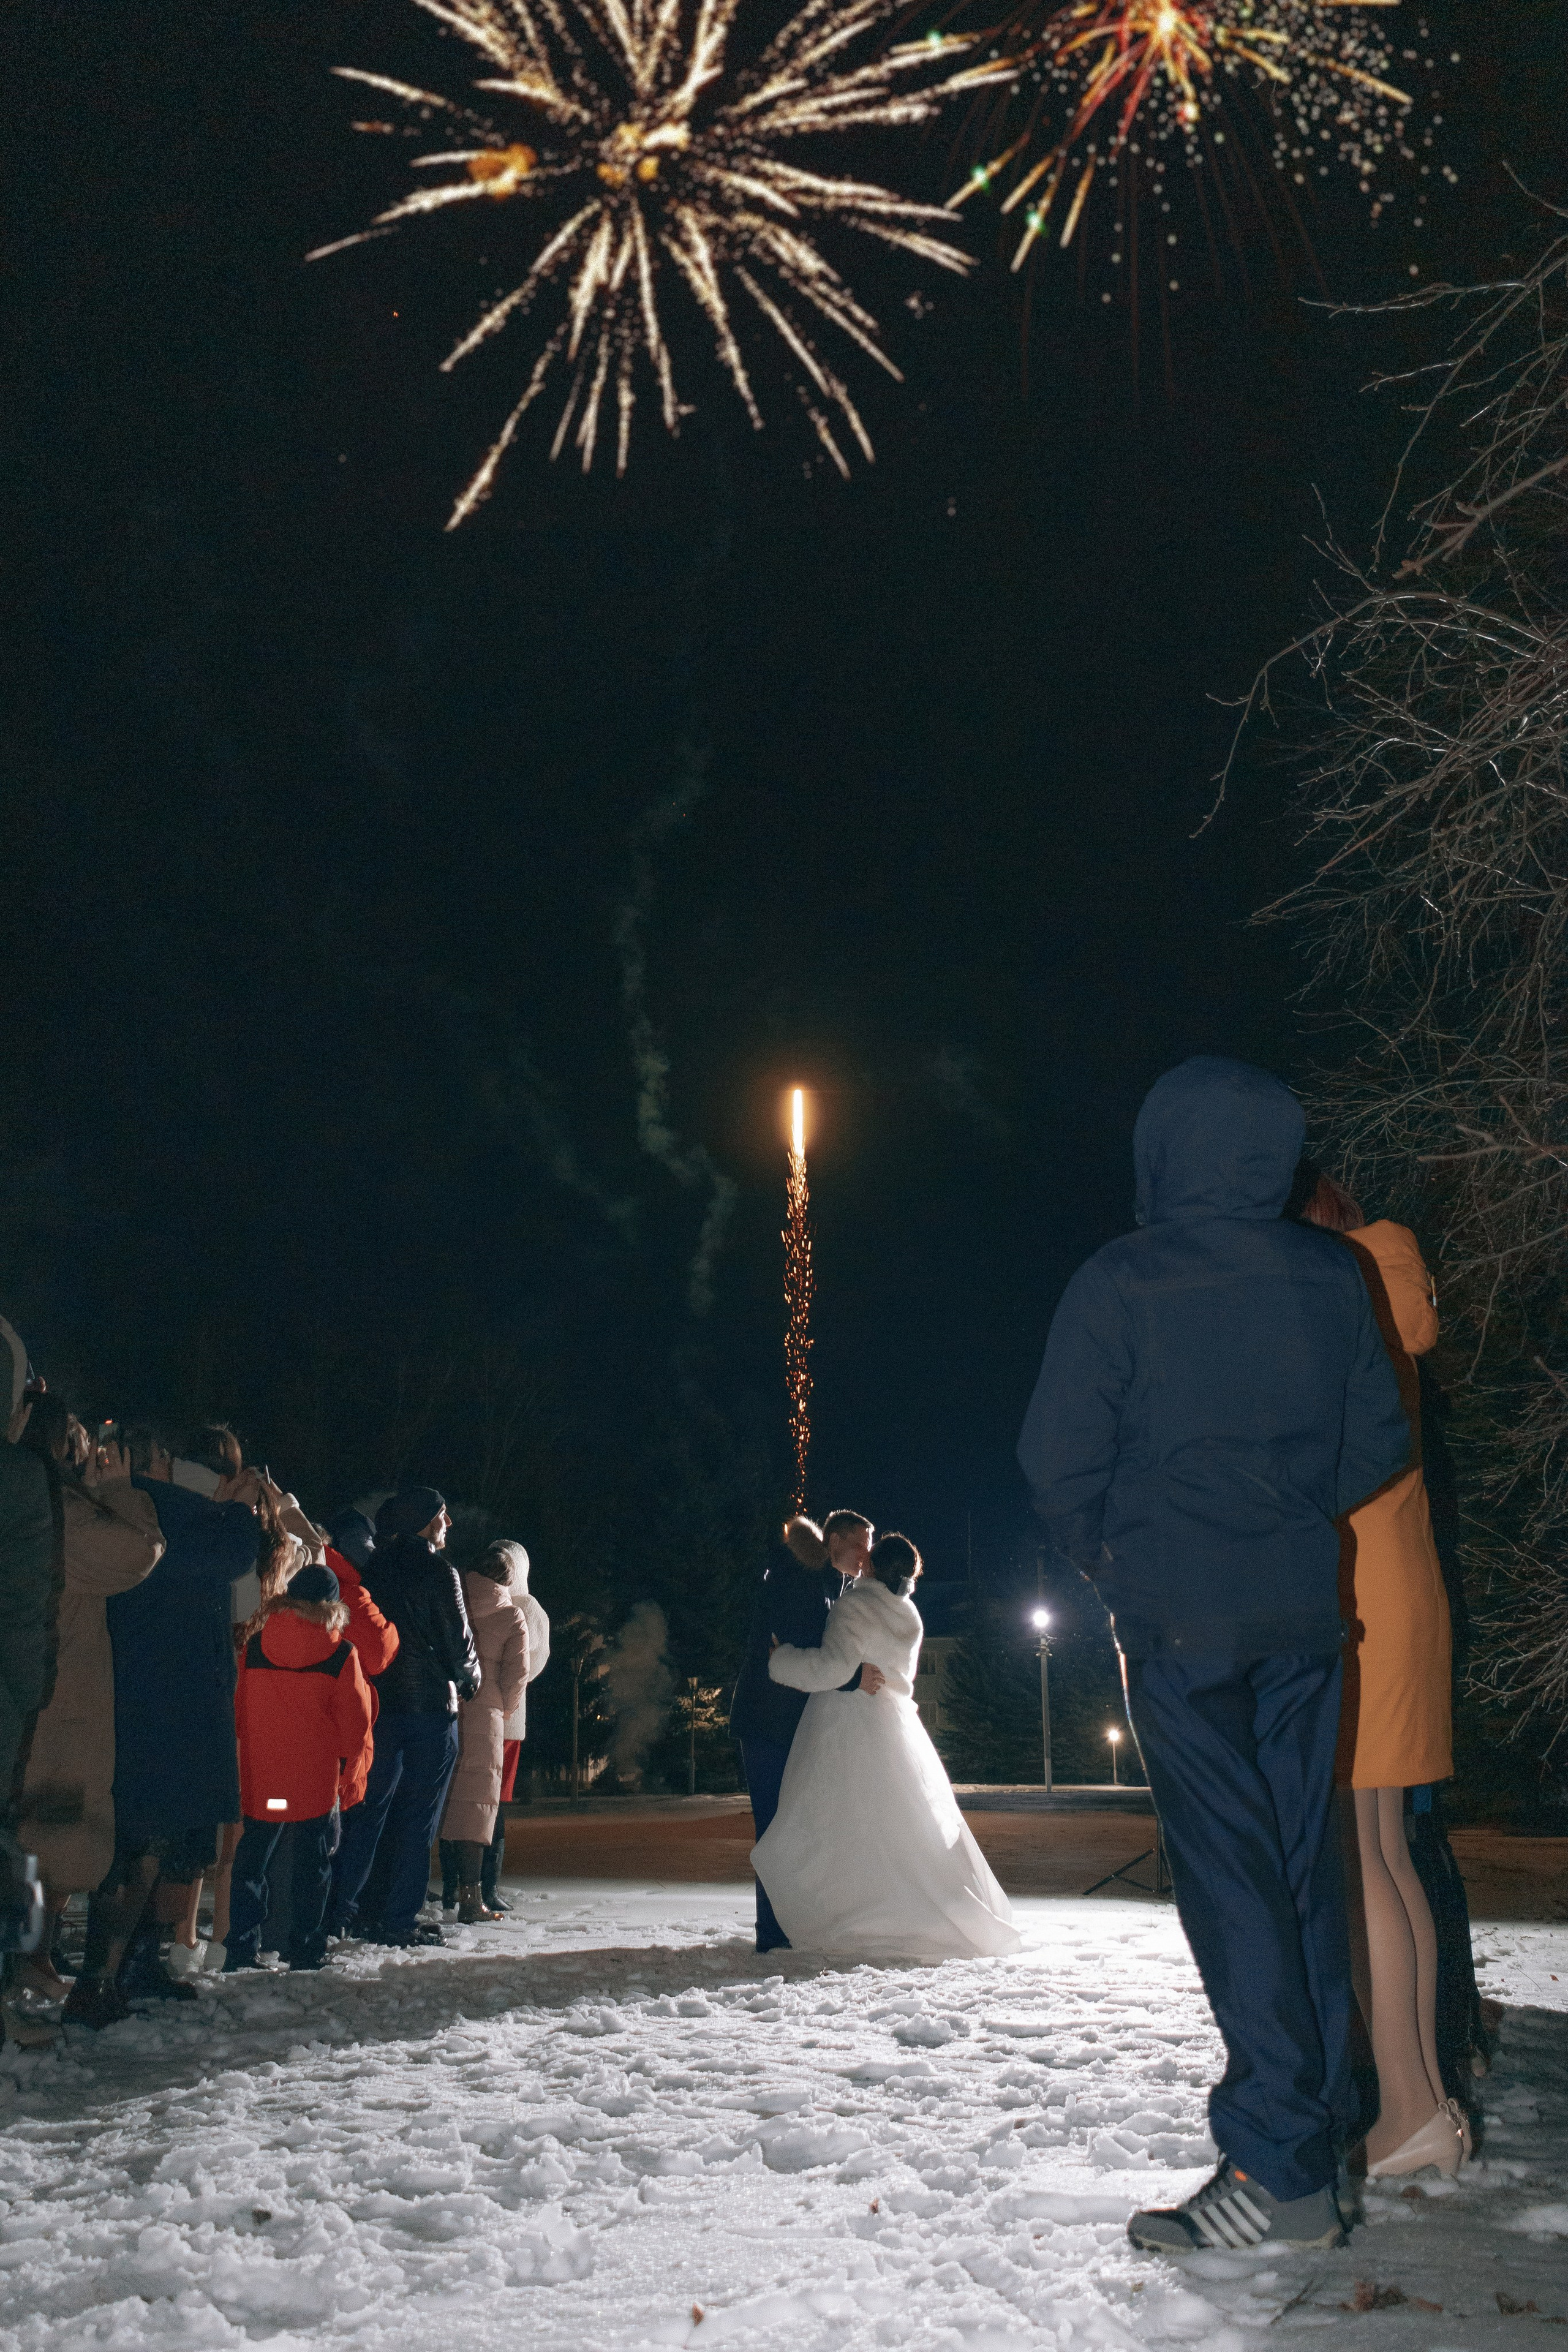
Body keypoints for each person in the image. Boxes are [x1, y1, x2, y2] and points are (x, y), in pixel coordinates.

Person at [1017, 1056, 1412, 2255]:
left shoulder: (1122, 1280)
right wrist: (1286, 1521)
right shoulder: (1332, 1274)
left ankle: (1280, 2167)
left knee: (1234, 1883)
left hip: (1183, 1628)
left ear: (1161, 1150)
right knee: (1300, 1874)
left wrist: (1116, 1558)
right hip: (1303, 1620)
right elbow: (1377, 1444)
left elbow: (1053, 1460)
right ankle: (1312, 2137)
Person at [1296, 1165, 1467, 2180]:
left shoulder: (1343, 1294)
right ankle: (1420, 2103)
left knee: (1365, 1862)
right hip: (1398, 1593)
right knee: (1386, 1855)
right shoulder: (1387, 1285)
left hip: (1363, 1602)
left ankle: (1408, 2107)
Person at [753, 1529, 1020, 1959]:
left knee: (836, 1825)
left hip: (845, 1722)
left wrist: (780, 1661)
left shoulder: (855, 1605)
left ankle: (846, 1913)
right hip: (895, 1723)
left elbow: (832, 1669)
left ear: (874, 1565)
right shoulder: (909, 1614)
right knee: (900, 1824)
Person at [100, 1423, 263, 2005]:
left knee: (148, 1839)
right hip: (178, 1694)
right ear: (157, 1462)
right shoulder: (161, 1506)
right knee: (154, 1841)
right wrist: (241, 1510)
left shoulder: (112, 1506)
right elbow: (234, 1556)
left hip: (136, 1688)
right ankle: (115, 1974)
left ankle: (128, 1967)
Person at [16, 1400, 165, 2032]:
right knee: (47, 1832)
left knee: (43, 1837)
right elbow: (138, 1551)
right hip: (56, 1697)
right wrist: (124, 1488)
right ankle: (25, 1965)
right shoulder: (61, 1511)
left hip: (43, 1691)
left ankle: (32, 1960)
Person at [329, 1486, 479, 1948]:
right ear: (425, 1521)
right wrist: (469, 1678)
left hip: (380, 1706)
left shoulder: (376, 1568)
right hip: (431, 1710)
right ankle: (398, 1917)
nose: (449, 1524)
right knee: (418, 1819)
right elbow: (458, 1640)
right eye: (442, 1515)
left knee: (370, 1812)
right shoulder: (440, 1572)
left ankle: (346, 1910)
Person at [729, 1509, 884, 1954]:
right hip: (769, 1722)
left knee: (789, 1826)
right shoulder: (798, 1578)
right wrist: (854, 1677)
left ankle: (783, 1928)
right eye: (860, 1543)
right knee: (776, 1827)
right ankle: (773, 1933)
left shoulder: (822, 1581)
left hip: (785, 1723)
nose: (865, 1554)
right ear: (834, 1540)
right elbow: (801, 1658)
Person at [227, 1561, 374, 1972]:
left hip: (266, 1780)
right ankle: (306, 1948)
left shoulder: (256, 1646)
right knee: (313, 1866)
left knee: (253, 1859)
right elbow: (356, 1725)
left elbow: (238, 1712)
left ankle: (241, 1946)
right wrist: (353, 1779)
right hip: (314, 1783)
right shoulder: (341, 1653)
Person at [437, 1541, 530, 1922]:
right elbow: (517, 1676)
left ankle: (439, 1889)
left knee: (443, 1802)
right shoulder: (511, 1615)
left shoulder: (450, 1600)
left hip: (446, 1706)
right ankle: (472, 1900)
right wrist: (501, 1708)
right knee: (478, 1808)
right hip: (487, 1712)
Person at [486, 1542, 550, 1912]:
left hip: (481, 1714)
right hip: (510, 1718)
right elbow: (533, 1664)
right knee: (492, 1804)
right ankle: (486, 1884)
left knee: (471, 1802)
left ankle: (461, 1884)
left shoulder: (478, 1599)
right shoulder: (527, 1608)